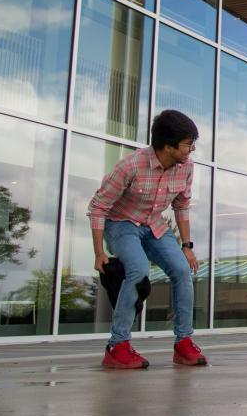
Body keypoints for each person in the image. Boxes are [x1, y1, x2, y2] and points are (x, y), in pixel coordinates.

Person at [89, 109, 207, 369]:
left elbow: (181, 205)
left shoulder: (186, 167)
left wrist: (187, 247)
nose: (192, 150)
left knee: (181, 270)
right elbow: (98, 207)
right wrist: (99, 253)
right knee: (139, 271)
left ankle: (183, 343)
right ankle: (117, 346)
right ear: (168, 146)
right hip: (121, 224)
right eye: (188, 144)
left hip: (154, 224)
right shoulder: (130, 166)